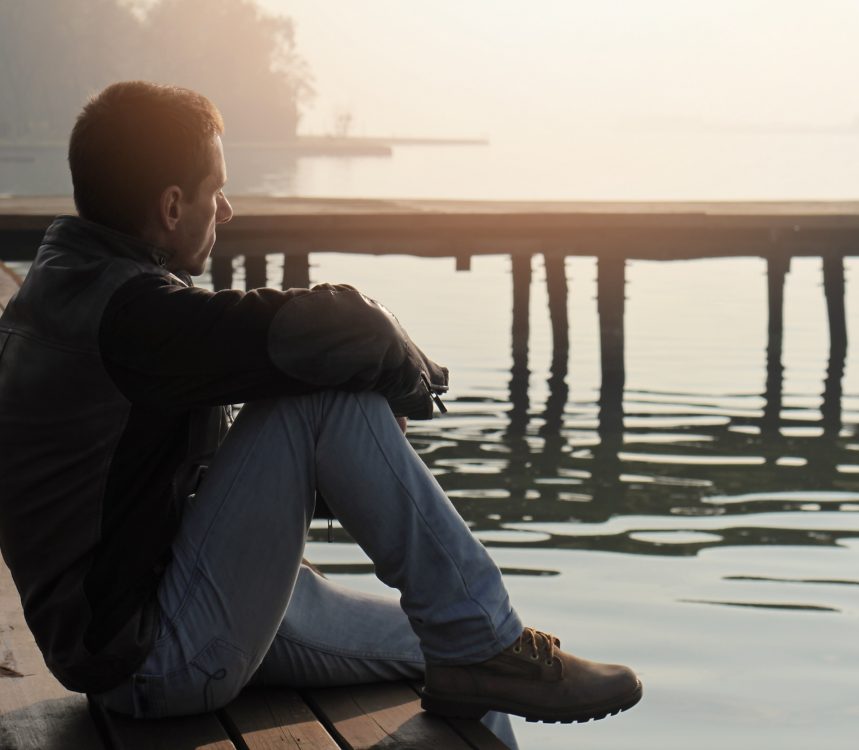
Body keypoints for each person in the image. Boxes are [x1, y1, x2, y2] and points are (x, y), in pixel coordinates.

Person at [0, 81, 642, 730]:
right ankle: (487, 642)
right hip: (151, 658)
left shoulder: (70, 286)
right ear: (171, 206)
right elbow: (346, 324)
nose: (226, 211)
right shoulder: (131, 319)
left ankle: (483, 647)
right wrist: (408, 385)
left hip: (160, 606)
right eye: (214, 191)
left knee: (449, 650)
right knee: (323, 400)